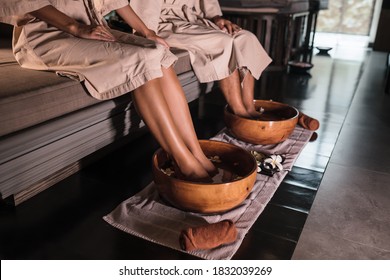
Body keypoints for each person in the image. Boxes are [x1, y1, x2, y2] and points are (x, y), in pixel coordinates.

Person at [0, 0, 216, 181]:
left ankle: (195, 151)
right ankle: (182, 160)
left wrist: (146, 32)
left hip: (92, 26)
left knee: (159, 51)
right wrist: (76, 28)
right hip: (47, 35)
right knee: (141, 58)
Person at [131, 0, 273, 119]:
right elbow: (145, 10)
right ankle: (238, 112)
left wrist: (216, 17)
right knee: (222, 41)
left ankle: (249, 107)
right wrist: (146, 32)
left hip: (191, 18)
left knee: (246, 38)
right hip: (162, 23)